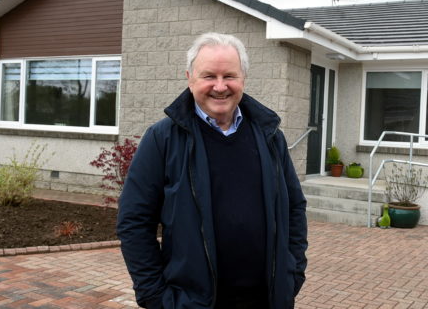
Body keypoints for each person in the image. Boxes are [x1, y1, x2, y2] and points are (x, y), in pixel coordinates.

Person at [117, 32, 308, 309]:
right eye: (209, 76)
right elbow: (134, 221)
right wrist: (156, 297)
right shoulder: (163, 138)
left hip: (266, 299)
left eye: (229, 76)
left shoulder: (269, 136)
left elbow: (294, 207)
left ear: (243, 78)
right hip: (192, 302)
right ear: (190, 78)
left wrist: (291, 275)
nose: (220, 87)